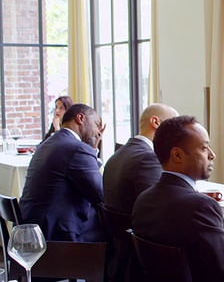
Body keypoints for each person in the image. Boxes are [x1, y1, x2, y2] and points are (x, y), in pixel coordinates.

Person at [132, 116, 224, 282]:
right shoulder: (201, 206)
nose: (212, 155)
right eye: (204, 148)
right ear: (177, 155)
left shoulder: (142, 199)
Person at [102, 103, 178, 282]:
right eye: (174, 125)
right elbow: (160, 211)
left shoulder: (117, 155)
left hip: (119, 254)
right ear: (155, 122)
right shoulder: (148, 158)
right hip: (142, 261)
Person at [20, 103, 106, 242]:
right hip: (56, 236)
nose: (98, 132)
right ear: (80, 118)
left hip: (36, 229)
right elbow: (101, 195)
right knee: (121, 236)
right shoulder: (76, 149)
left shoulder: (51, 142)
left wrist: (94, 147)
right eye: (96, 124)